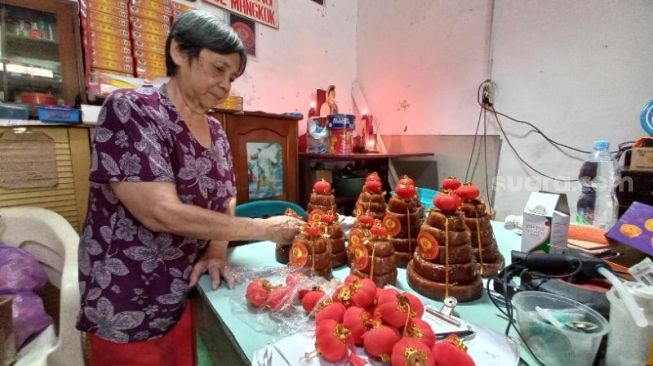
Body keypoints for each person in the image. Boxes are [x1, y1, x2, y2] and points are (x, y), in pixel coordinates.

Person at [76, 10, 303, 366]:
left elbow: (225, 198)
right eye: (217, 69)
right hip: (130, 297)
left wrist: (215, 251)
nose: (226, 85)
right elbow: (160, 212)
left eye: (232, 77)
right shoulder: (133, 110)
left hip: (189, 291)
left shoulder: (215, 130)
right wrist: (263, 229)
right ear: (180, 52)